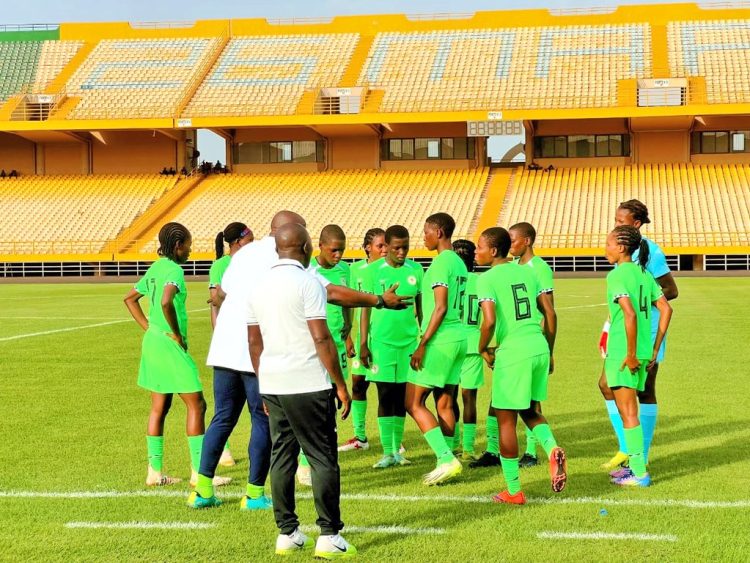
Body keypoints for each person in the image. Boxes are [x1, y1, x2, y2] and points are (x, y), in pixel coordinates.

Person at [190, 211, 410, 509]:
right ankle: (254, 494)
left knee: (223, 417)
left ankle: (202, 490)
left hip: (226, 348)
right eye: (304, 233)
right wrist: (379, 300)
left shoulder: (244, 254)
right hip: (257, 352)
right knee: (262, 421)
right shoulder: (288, 257)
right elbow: (330, 292)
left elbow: (221, 295)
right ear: (291, 234)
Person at [248, 222, 357, 558]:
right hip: (308, 381)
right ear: (306, 247)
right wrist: (340, 383)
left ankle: (288, 533)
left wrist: (263, 381)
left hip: (274, 382)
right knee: (323, 457)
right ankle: (329, 534)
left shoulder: (259, 284)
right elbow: (321, 337)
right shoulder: (308, 281)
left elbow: (254, 341)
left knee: (282, 456)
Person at [124, 223, 219, 488]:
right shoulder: (175, 270)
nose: (190, 250)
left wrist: (149, 328)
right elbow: (166, 301)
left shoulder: (155, 267)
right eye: (188, 244)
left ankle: (154, 472)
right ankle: (199, 474)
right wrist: (176, 334)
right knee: (196, 404)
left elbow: (130, 298)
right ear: (178, 246)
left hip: (153, 342)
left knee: (159, 407)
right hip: (168, 345)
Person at [476, 227, 566, 505]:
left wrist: (481, 348)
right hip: (538, 346)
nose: (476, 251)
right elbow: (549, 313)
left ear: (493, 251)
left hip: (513, 351)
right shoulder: (528, 271)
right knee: (529, 409)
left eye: (479, 247)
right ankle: (551, 448)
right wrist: (549, 352)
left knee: (505, 419)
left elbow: (489, 321)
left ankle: (513, 491)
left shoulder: (486, 279)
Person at [598, 200, 679, 471]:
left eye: (621, 221)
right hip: (628, 328)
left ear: (635, 224)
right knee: (608, 384)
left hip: (645, 329)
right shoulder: (626, 264)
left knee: (642, 391)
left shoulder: (650, 253)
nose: (616, 224)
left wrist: (637, 305)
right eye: (615, 219)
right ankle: (629, 450)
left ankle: (638, 456)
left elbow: (671, 290)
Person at [406, 212, 467, 486]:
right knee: (444, 401)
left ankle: (445, 457)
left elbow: (440, 307)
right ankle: (450, 456)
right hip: (459, 339)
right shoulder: (459, 263)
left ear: (439, 232)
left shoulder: (442, 263)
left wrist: (422, 343)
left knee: (413, 402)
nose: (424, 236)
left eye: (427, 231)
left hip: (440, 339)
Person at [360, 225, 422, 468]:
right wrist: (363, 343)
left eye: (405, 247)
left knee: (402, 398)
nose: (402, 252)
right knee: (385, 395)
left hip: (409, 343)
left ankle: (397, 451)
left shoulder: (416, 270)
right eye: (397, 247)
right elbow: (365, 309)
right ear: (385, 246)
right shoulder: (373, 272)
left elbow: (422, 309)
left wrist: (422, 341)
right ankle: (387, 452)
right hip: (382, 343)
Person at [300, 225, 351, 484]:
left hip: (337, 346)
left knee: (331, 402)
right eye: (334, 250)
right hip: (317, 345)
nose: (339, 255)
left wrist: (349, 329)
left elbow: (346, 301)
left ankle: (324, 459)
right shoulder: (310, 272)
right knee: (316, 404)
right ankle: (304, 464)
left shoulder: (345, 270)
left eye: (341, 250)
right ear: (320, 245)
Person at [508, 222, 557, 468]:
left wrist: (550, 350)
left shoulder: (540, 268)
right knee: (512, 397)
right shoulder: (512, 267)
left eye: (513, 239)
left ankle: (531, 451)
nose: (510, 244)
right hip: (513, 341)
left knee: (531, 398)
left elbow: (549, 311)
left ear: (526, 241)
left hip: (532, 340)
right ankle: (497, 449)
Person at [207, 222, 254, 469]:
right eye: (249, 240)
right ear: (238, 242)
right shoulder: (222, 265)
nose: (253, 245)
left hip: (248, 339)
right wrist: (219, 334)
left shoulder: (249, 261)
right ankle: (223, 451)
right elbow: (215, 301)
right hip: (232, 340)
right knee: (227, 411)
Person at [339, 228, 387, 452]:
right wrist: (348, 337)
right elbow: (346, 305)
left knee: (386, 388)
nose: (385, 250)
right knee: (358, 384)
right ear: (367, 247)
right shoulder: (354, 269)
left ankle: (393, 439)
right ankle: (360, 436)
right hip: (361, 336)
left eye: (387, 245)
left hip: (383, 336)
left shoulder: (389, 271)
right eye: (380, 245)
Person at [451, 239, 483, 461]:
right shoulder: (481, 281)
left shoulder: (452, 280)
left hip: (451, 343)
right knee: (469, 398)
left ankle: (452, 445)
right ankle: (469, 448)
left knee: (448, 397)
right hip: (474, 343)